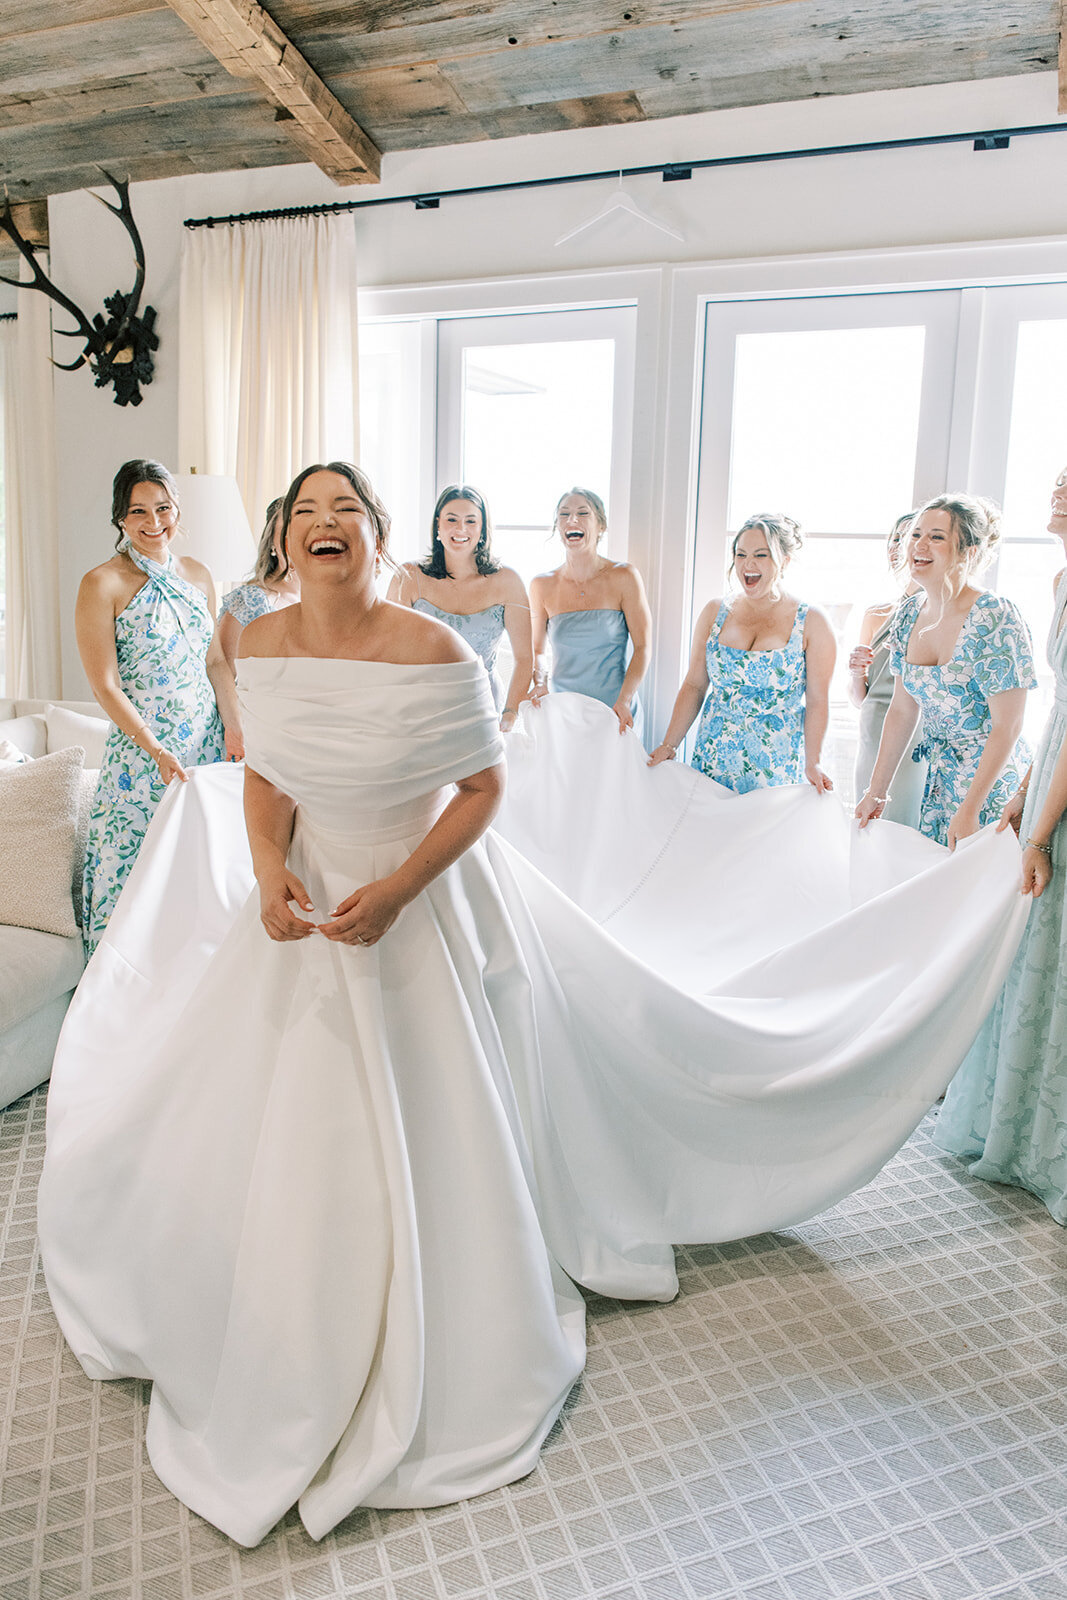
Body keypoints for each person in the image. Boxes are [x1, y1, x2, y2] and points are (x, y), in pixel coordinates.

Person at [40, 464, 1031, 1550]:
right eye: (304, 513)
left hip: (415, 893)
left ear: (377, 537)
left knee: (445, 1112)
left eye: (345, 512)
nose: (324, 525)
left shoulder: (429, 647)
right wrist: (269, 868)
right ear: (284, 540)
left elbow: (480, 788)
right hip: (300, 906)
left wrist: (403, 887)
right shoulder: (258, 642)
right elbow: (266, 773)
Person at [935, 467, 1067, 1221]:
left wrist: (1041, 832)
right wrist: (1020, 801)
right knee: (1035, 965)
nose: (1057, 490)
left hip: (1062, 802)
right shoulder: (1058, 578)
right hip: (1048, 780)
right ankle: (1016, 1135)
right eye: (1056, 480)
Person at [75, 458, 225, 953]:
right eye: (138, 511)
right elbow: (105, 686)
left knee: (199, 880)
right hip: (143, 758)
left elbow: (217, 663)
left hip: (206, 748)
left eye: (163, 508)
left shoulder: (200, 575)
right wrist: (154, 748)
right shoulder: (102, 583)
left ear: (177, 509)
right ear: (120, 517)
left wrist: (237, 730)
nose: (154, 522)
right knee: (135, 885)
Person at [856, 494, 1035, 848]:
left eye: (936, 537)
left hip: (993, 789)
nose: (919, 546)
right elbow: (902, 710)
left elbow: (1008, 725)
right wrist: (876, 793)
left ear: (968, 550)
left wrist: (970, 808)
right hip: (938, 784)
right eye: (916, 534)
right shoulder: (908, 614)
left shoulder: (994, 617)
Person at [648, 513, 836, 792]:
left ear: (783, 561)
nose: (748, 564)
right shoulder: (715, 612)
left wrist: (814, 762)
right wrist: (669, 744)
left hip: (775, 766)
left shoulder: (811, 621)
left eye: (761, 555)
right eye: (740, 554)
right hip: (713, 758)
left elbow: (818, 701)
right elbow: (694, 685)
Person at [387, 484, 532, 731]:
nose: (460, 529)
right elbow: (390, 652)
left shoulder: (508, 581)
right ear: (438, 526)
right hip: (421, 711)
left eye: (471, 521)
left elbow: (524, 658)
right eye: (451, 519)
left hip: (483, 710)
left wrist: (510, 714)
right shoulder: (409, 577)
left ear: (483, 528)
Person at [529, 487, 651, 737]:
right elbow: (538, 651)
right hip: (565, 714)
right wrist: (540, 684)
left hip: (617, 712)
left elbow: (643, 647)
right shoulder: (542, 585)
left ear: (601, 526)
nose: (572, 520)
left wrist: (625, 700)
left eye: (582, 513)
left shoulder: (625, 577)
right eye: (564, 514)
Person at [206, 497, 299, 761]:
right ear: (272, 543)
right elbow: (222, 674)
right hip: (257, 739)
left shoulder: (329, 604)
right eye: (287, 534)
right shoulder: (249, 600)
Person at [848, 512, 926, 826]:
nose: (900, 546)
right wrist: (855, 672)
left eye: (908, 538)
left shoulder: (934, 612)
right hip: (871, 729)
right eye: (896, 538)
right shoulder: (875, 614)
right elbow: (859, 698)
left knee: (903, 819)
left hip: (914, 728)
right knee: (867, 822)